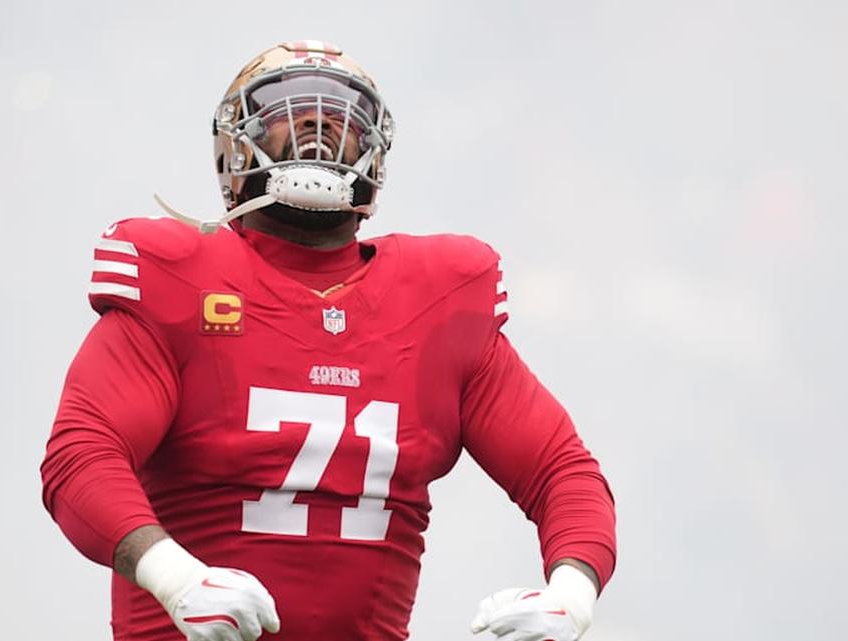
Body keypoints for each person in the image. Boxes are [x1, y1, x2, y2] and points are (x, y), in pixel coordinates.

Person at [41, 40, 616, 641]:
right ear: (234, 147)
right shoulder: (179, 281)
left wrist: (570, 594)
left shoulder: (440, 300)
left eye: (342, 115)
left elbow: (562, 472)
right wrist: (175, 577)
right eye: (288, 110)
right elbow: (80, 458)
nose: (318, 123)